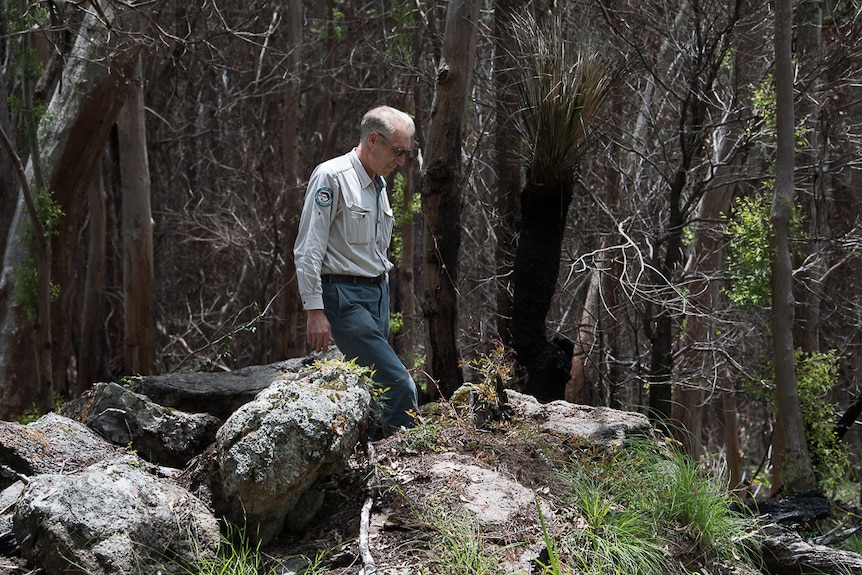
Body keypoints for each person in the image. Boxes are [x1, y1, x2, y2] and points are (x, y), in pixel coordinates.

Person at [294, 105, 419, 437]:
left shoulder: (378, 183)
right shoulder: (332, 177)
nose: (401, 161)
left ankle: (371, 465)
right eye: (398, 152)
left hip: (377, 293)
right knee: (399, 385)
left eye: (406, 153)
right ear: (373, 140)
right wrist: (314, 310)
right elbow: (308, 247)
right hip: (343, 297)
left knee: (372, 387)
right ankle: (406, 461)